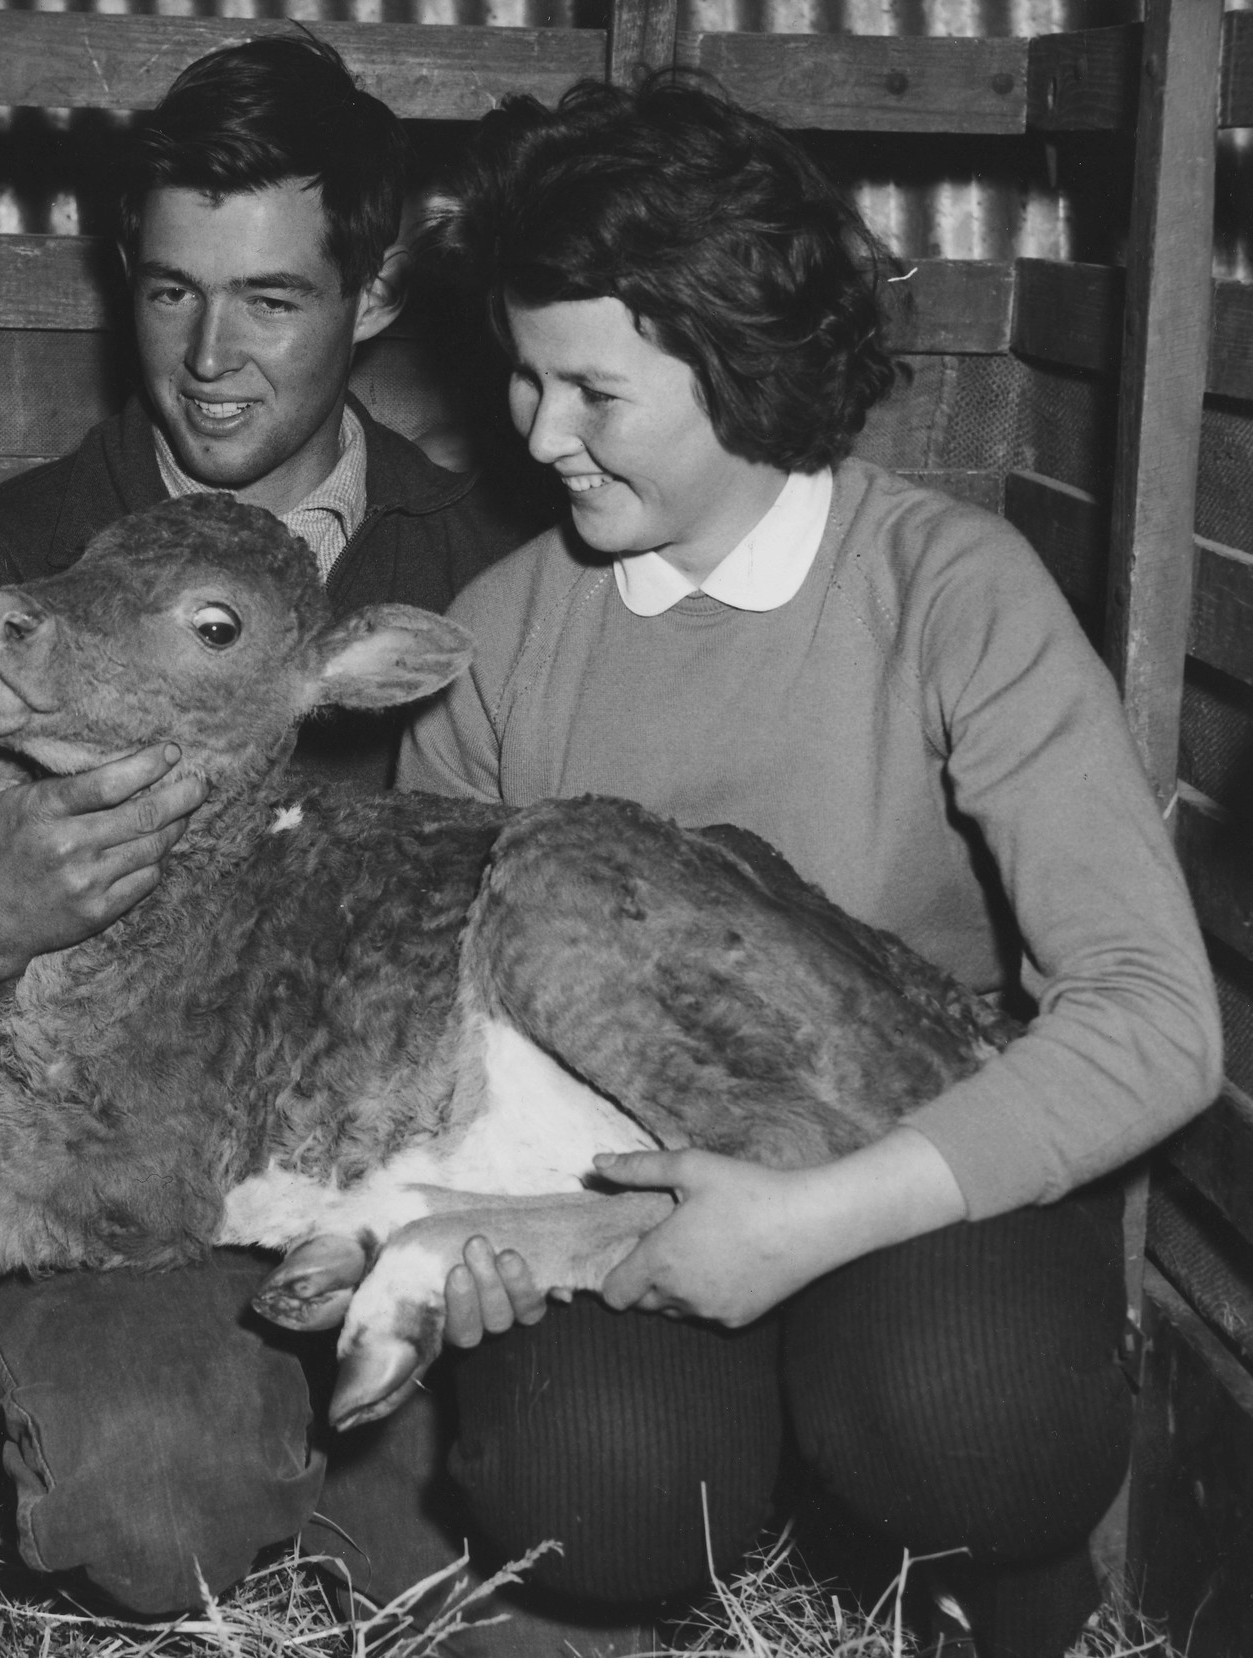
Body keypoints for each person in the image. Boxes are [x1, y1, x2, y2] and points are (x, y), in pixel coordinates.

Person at [392, 76, 1223, 1658]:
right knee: (589, 1481)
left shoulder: (948, 590)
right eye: (519, 375)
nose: (536, 431)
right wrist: (467, 1232)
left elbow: (1159, 1014)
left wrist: (811, 1221)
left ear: (734, 360)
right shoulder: (498, 641)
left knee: (972, 1418)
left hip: (909, 1153)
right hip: (617, 1184)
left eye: (593, 391)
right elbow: (436, 1032)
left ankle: (977, 1573)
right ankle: (722, 1515)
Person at [0, 32, 548, 1616]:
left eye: (273, 298)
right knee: (143, 1488)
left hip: (410, 1192)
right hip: (125, 1202)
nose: (211, 354)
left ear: (372, 298)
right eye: (172, 291)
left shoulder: (484, 565)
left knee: (566, 1554)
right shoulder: (4, 573)